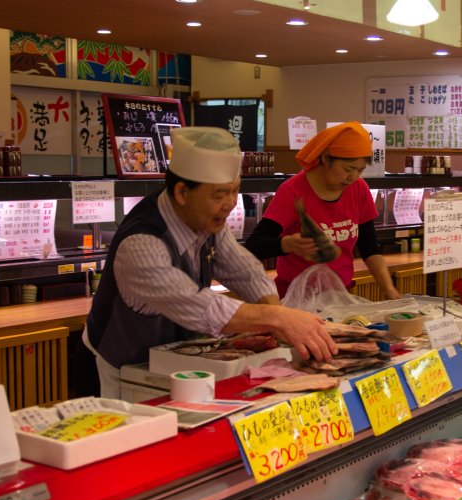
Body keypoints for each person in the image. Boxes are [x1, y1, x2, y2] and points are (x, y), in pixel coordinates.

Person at [83, 127, 337, 398]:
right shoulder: (142, 244)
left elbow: (245, 271)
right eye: (219, 195)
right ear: (182, 192)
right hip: (114, 372)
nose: (229, 204)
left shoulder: (206, 220)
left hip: (170, 366)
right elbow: (199, 307)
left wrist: (277, 319)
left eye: (235, 191)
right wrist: (278, 318)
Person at [245, 121, 402, 301]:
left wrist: (388, 288)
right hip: (295, 297)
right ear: (326, 158)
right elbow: (254, 246)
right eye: (348, 169)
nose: (353, 177)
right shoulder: (293, 191)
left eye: (360, 170)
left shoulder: (359, 189)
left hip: (339, 296)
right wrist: (286, 244)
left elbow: (369, 247)